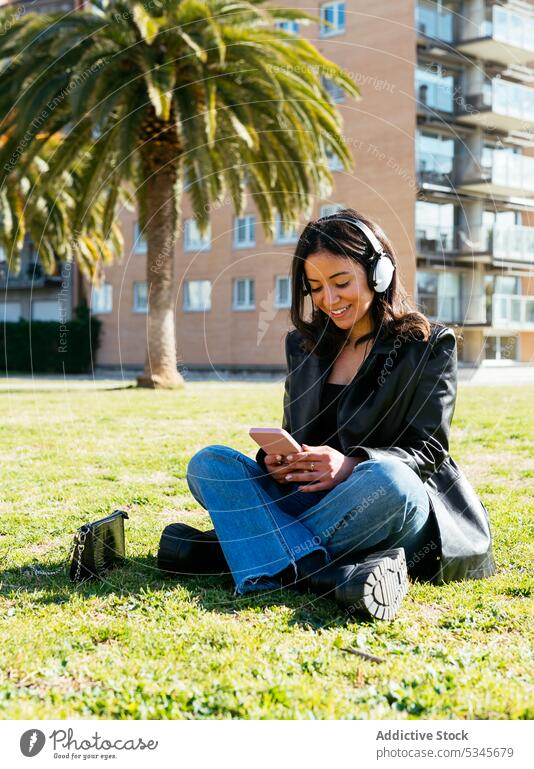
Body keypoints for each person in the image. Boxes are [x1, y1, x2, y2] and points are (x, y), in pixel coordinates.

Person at [158, 209, 495, 620]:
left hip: (383, 503)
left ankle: (220, 551)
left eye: (341, 283)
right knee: (210, 464)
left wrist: (351, 465)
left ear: (379, 273)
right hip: (312, 502)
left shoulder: (427, 345)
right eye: (315, 287)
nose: (329, 300)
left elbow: (428, 450)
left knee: (392, 481)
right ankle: (324, 574)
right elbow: (293, 432)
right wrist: (276, 462)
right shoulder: (302, 347)